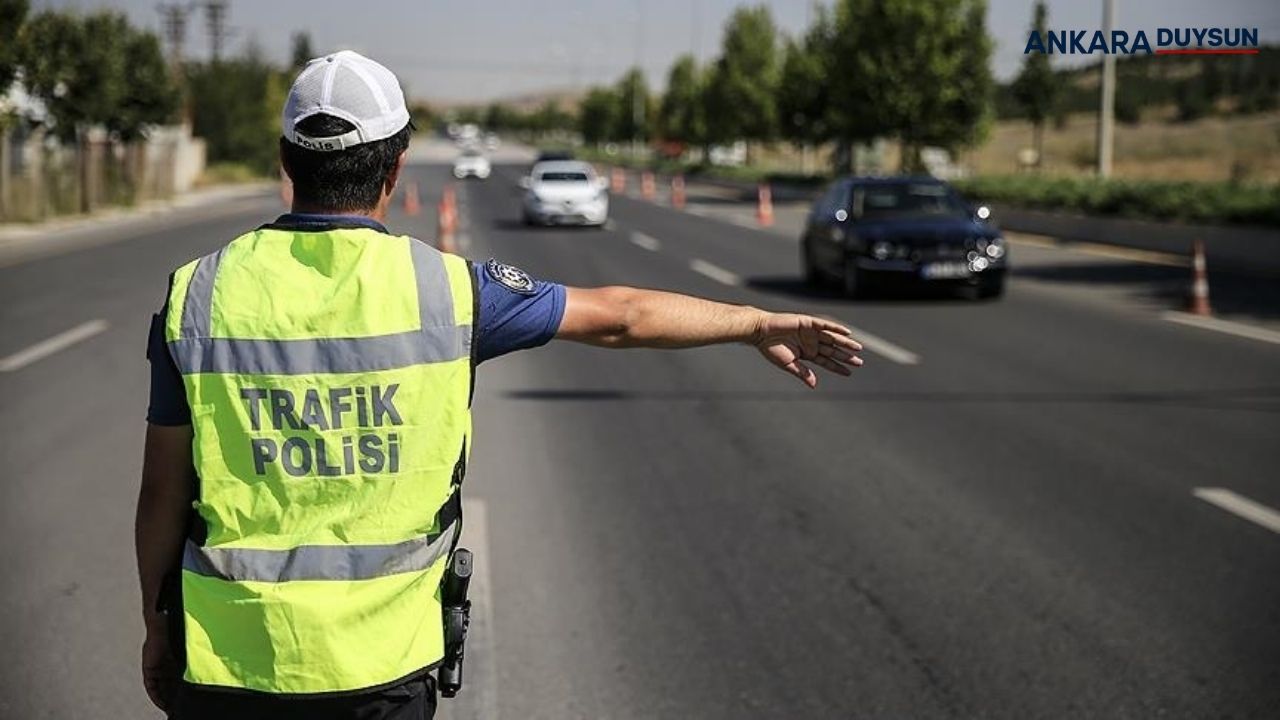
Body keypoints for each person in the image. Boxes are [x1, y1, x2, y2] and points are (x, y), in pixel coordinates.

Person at [135, 51, 863, 720]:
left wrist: (157, 628)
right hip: (383, 669)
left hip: (228, 664)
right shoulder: (450, 292)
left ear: (286, 160)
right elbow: (622, 316)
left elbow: (162, 495)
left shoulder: (197, 295)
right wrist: (754, 321)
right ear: (396, 169)